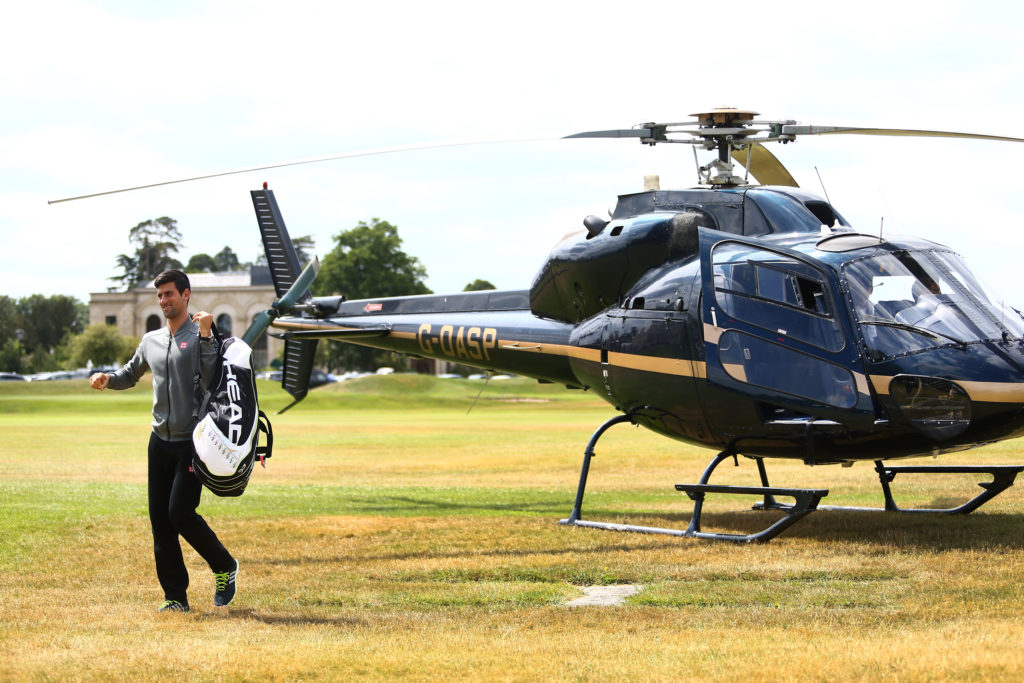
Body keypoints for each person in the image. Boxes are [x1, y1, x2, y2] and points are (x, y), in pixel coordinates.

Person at [90, 270, 238, 613]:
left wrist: (205, 336)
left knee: (180, 512)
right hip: (159, 442)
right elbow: (130, 374)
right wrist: (107, 378)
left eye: (169, 294)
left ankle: (224, 566)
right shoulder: (151, 339)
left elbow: (214, 373)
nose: (163, 301)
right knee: (160, 521)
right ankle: (175, 597)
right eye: (160, 296)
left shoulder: (202, 334)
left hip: (193, 441)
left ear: (186, 295)